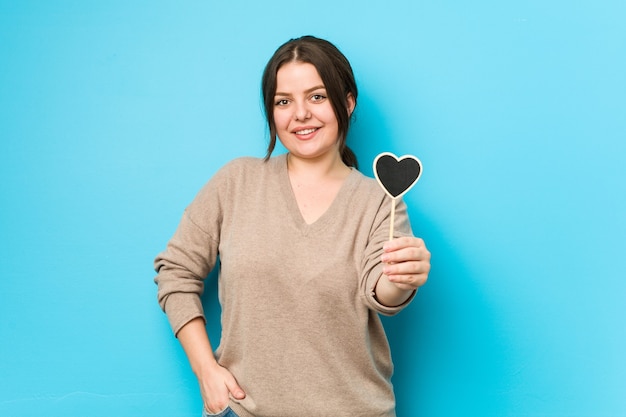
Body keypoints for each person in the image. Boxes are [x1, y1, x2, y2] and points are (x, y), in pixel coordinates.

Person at [154, 35, 431, 417]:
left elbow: (382, 294)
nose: (300, 114)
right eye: (284, 101)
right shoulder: (236, 182)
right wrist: (205, 370)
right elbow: (175, 272)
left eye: (317, 97)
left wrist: (402, 277)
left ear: (347, 102)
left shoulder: (379, 202)